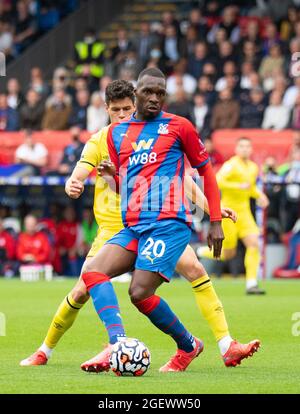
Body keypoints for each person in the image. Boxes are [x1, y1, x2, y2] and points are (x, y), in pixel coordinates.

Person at [20, 79, 259, 371]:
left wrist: (213, 210)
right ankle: (48, 349)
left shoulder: (149, 133)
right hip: (115, 226)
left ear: (135, 106)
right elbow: (82, 169)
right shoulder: (102, 139)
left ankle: (225, 344)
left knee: (193, 269)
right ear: (106, 109)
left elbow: (180, 179)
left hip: (158, 222)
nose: (122, 115)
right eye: (116, 110)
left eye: (127, 109)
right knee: (84, 287)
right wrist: (75, 180)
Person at [199, 137, 269, 294]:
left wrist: (259, 195)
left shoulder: (253, 167)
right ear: (236, 149)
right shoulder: (231, 165)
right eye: (242, 146)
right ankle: (200, 251)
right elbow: (218, 181)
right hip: (229, 213)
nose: (245, 149)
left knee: (253, 244)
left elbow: (249, 188)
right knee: (228, 253)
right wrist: (238, 185)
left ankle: (251, 283)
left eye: (247, 146)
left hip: (245, 213)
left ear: (251, 150)